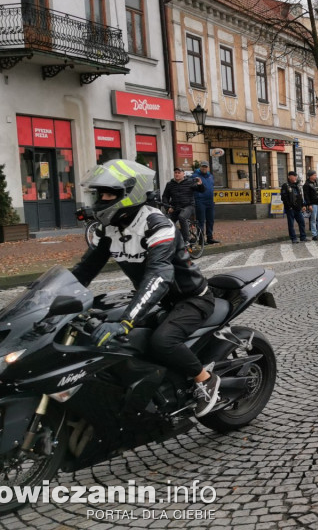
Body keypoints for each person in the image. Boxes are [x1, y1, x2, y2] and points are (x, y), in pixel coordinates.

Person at [72, 160, 220, 417]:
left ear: (130, 194)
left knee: (162, 342)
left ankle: (204, 379)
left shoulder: (157, 225)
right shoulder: (110, 228)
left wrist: (127, 320)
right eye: (100, 194)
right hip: (156, 300)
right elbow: (84, 270)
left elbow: (159, 275)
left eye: (108, 194)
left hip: (190, 299)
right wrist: (47, 300)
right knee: (100, 325)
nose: (102, 199)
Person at [161, 167, 203, 244]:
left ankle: (187, 240)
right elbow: (165, 197)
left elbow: (201, 190)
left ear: (183, 174)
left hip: (189, 206)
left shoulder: (190, 182)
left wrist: (200, 184)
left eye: (179, 172)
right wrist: (168, 207)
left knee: (182, 217)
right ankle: (171, 240)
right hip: (175, 207)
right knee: (166, 221)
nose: (177, 174)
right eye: (175, 172)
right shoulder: (170, 184)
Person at [192, 162, 219, 244]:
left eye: (205, 167)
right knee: (201, 221)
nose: (204, 168)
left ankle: (210, 238)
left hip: (210, 201)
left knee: (210, 220)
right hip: (200, 201)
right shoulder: (195, 176)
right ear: (200, 167)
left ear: (208, 168)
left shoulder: (210, 176)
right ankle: (201, 239)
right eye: (202, 167)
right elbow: (193, 187)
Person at [280, 171, 306, 243]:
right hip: (290, 208)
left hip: (298, 208)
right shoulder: (285, 186)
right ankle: (293, 238)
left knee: (302, 222)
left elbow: (300, 196)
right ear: (289, 177)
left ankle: (303, 237)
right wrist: (289, 207)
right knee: (291, 224)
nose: (295, 177)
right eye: (294, 176)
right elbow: (284, 198)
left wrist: (303, 205)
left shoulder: (297, 185)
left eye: (296, 176)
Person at [303, 169, 318, 241]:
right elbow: (306, 196)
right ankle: (314, 235)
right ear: (310, 176)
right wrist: (309, 204)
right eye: (314, 175)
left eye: (316, 175)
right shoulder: (306, 185)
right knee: (313, 219)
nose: (316, 176)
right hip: (313, 204)